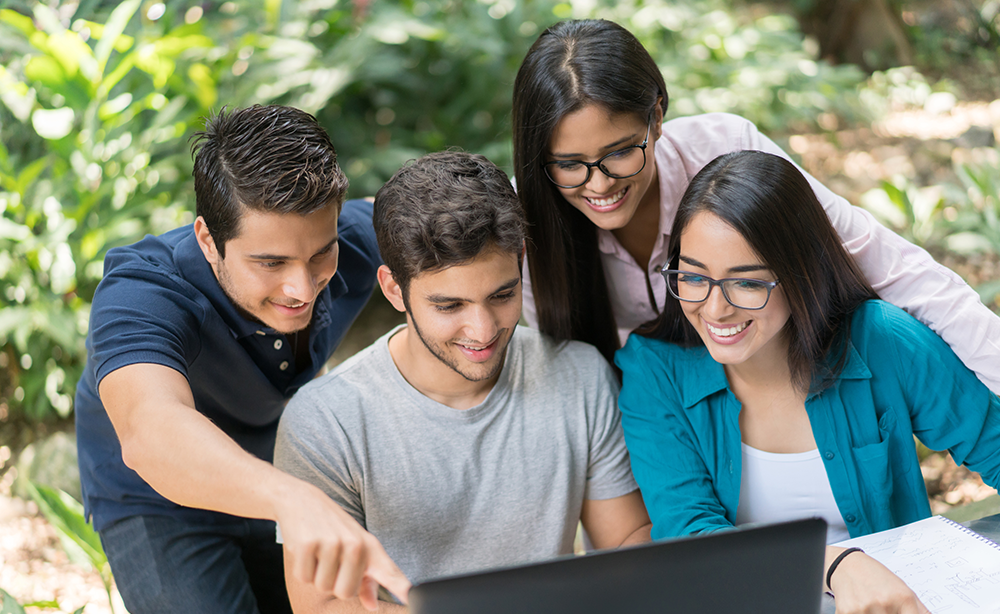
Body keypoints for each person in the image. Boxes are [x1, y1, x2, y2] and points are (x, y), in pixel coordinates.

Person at [511, 18, 1000, 394]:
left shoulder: (728, 151)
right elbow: (575, 378)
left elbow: (895, 268)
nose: (600, 184)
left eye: (620, 152)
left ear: (656, 116)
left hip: (788, 387)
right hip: (661, 421)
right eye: (570, 164)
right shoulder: (526, 221)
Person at [615, 150, 1000, 614]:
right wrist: (837, 565)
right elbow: (690, 535)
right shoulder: (654, 371)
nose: (715, 309)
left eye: (748, 283)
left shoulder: (879, 340)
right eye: (694, 277)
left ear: (800, 273)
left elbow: (993, 442)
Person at [274, 151, 651, 613]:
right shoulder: (325, 421)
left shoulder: (579, 376)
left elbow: (626, 541)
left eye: (502, 295)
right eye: (450, 306)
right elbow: (322, 604)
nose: (483, 330)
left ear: (521, 261)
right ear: (394, 289)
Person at [74, 105, 410, 614]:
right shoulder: (141, 291)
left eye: (320, 253)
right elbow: (151, 430)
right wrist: (294, 501)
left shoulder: (360, 241)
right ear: (209, 239)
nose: (302, 289)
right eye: (271, 263)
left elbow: (474, 218)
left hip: (280, 470)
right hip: (159, 502)